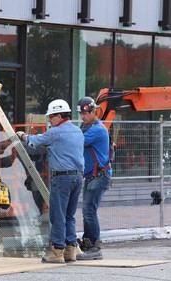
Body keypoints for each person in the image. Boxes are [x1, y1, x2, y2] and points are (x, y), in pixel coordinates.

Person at [16, 99, 84, 264]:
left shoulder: (56, 132)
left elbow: (35, 141)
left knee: (58, 215)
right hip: (77, 177)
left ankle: (57, 251)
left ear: (59, 116)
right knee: (69, 215)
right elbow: (64, 149)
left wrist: (22, 135)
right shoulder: (77, 131)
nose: (48, 120)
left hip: (62, 178)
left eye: (51, 116)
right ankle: (70, 250)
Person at [76, 96, 112, 260]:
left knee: (89, 210)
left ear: (93, 112)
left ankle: (95, 247)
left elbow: (77, 142)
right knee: (87, 211)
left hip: (99, 176)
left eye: (85, 114)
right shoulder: (89, 127)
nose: (82, 117)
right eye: (81, 114)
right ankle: (87, 242)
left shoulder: (97, 129)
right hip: (92, 176)